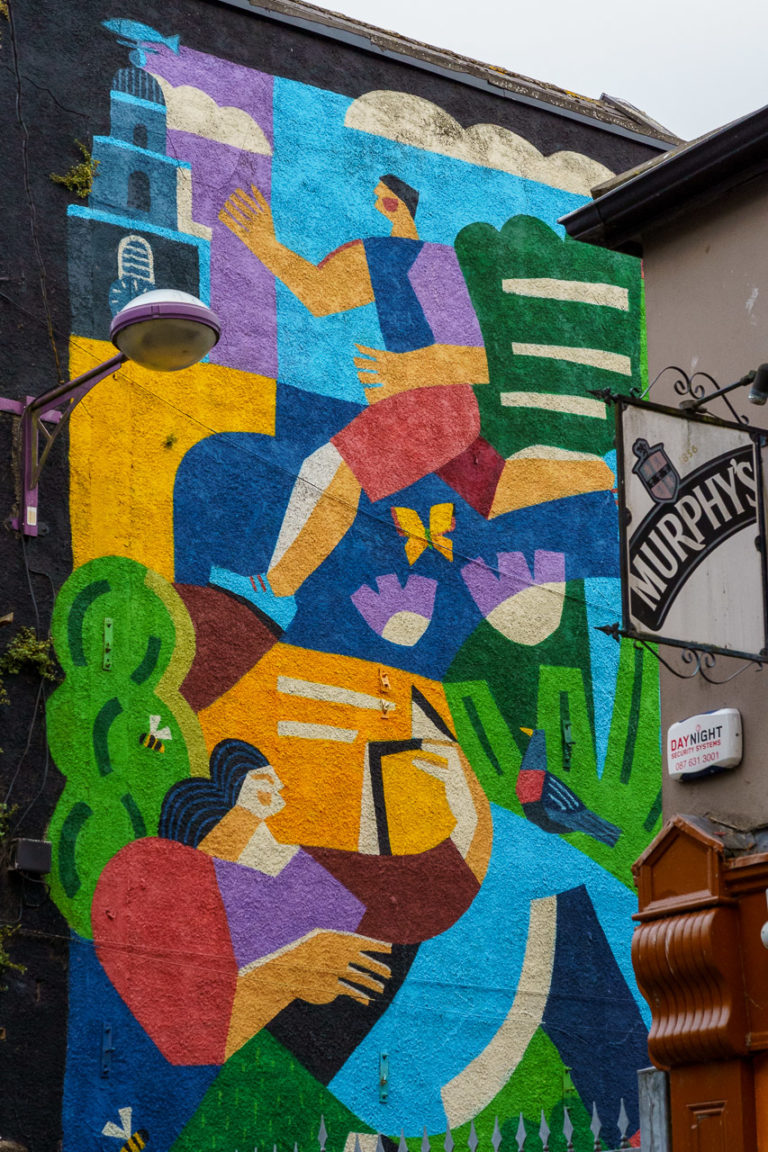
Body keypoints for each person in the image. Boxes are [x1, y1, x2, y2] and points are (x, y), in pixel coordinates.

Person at [210, 175, 613, 630]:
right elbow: (322, 296)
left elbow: (475, 361)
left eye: (378, 202)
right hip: (447, 410)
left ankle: (278, 590)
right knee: (493, 491)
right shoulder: (405, 260)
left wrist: (407, 371)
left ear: (396, 207)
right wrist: (265, 243)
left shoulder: (418, 260)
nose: (372, 214)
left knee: (332, 467)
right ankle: (596, 473)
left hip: (433, 406)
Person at [92, 729, 490, 1066]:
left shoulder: (296, 866)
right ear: (233, 798)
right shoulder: (175, 881)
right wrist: (286, 971)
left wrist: (471, 812)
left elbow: (419, 896)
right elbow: (192, 1040)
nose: (281, 787)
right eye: (264, 782)